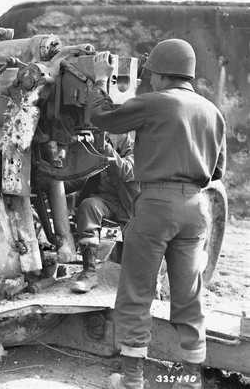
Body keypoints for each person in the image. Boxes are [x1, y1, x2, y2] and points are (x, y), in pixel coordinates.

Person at [90, 39, 226, 389]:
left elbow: (102, 118)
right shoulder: (214, 113)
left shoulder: (153, 103)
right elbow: (217, 173)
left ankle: (132, 379)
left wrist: (98, 83)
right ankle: (189, 378)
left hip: (156, 205)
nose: (148, 81)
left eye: (151, 75)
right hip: (197, 208)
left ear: (163, 74)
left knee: (137, 289)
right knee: (189, 293)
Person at [71, 132, 138, 293]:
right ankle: (89, 273)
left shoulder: (138, 149)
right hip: (107, 201)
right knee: (89, 206)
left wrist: (104, 146)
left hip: (133, 207)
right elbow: (83, 176)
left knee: (134, 263)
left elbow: (125, 171)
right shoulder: (101, 148)